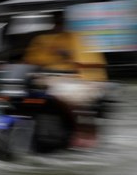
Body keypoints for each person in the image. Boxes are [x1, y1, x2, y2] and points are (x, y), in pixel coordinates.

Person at [23, 10, 108, 147]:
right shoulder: (42, 39)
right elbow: (31, 60)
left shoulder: (82, 39)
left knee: (74, 96)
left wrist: (69, 55)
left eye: (60, 21)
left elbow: (91, 66)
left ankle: (82, 131)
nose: (58, 25)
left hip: (76, 79)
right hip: (46, 78)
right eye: (56, 21)